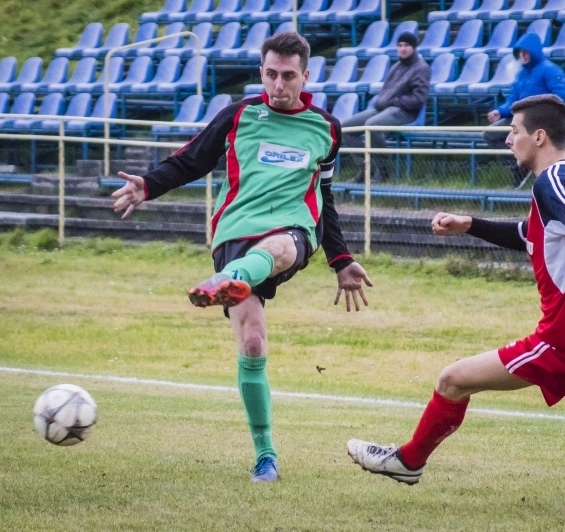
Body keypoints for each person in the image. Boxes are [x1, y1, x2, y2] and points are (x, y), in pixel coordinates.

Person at [347, 94, 565, 503]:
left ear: (538, 137)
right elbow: (533, 236)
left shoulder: (550, 181)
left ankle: (409, 462)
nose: (507, 140)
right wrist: (470, 225)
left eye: (513, 131)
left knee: (452, 380)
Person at [111, 32, 373, 483]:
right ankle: (265, 456)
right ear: (261, 73)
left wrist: (340, 258)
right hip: (234, 232)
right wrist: (148, 185)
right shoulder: (238, 116)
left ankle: (227, 281)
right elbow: (191, 160)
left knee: (280, 248)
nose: (277, 85)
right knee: (252, 343)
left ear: (305, 76)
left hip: (293, 227)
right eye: (270, 74)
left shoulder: (327, 129)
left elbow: (323, 195)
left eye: (288, 76)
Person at [341, 32, 431, 183]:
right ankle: (365, 170)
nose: (403, 49)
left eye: (406, 45)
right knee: (346, 127)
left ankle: (382, 170)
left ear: (414, 48)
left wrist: (395, 101)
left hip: (405, 112)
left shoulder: (421, 68)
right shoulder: (397, 66)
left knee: (372, 125)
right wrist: (385, 101)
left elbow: (418, 99)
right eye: (400, 45)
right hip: (384, 108)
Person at [484, 33, 565, 189]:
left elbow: (563, 97)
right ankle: (518, 167)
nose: (522, 56)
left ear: (533, 52)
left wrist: (539, 108)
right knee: (490, 134)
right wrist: (500, 112)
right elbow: (513, 100)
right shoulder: (521, 74)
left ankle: (527, 166)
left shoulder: (550, 70)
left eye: (526, 52)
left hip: (543, 119)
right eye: (520, 53)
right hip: (521, 119)